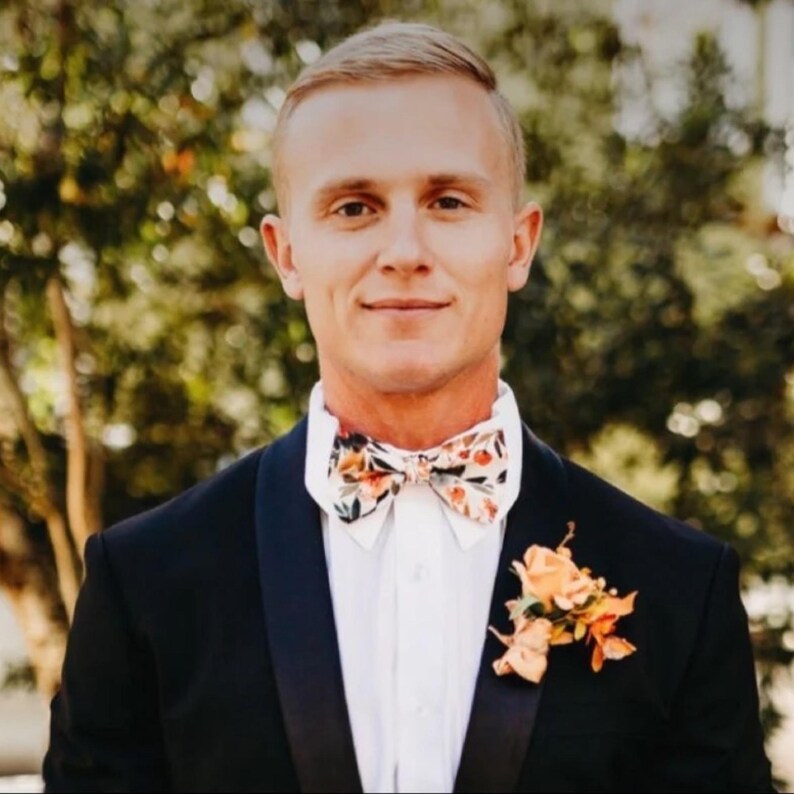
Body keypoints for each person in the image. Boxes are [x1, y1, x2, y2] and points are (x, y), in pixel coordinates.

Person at [43, 20, 774, 794]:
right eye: (353, 208)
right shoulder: (144, 582)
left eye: (448, 201)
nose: (403, 251)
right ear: (286, 254)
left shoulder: (679, 588)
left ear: (518, 244)